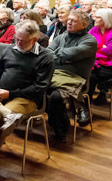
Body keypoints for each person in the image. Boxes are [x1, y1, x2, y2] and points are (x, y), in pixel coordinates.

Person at [0, 20, 53, 181]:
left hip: (26, 98)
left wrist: (10, 94)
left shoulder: (45, 57)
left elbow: (39, 88)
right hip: (0, 93)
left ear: (34, 40)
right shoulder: (11, 49)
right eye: (16, 39)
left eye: (22, 41)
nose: (18, 43)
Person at [47, 9, 97, 142]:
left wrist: (58, 55)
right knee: (36, 87)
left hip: (75, 77)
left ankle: (60, 127)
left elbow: (71, 54)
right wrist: (63, 58)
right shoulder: (61, 36)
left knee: (56, 96)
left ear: (84, 24)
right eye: (69, 19)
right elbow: (47, 53)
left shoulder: (90, 40)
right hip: (54, 73)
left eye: (73, 21)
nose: (69, 22)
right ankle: (58, 117)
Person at [88, 9, 112, 105]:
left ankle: (86, 103)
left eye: (98, 17)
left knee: (90, 75)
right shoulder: (93, 30)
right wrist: (101, 46)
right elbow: (86, 45)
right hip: (94, 62)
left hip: (110, 66)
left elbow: (109, 51)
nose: (94, 18)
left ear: (106, 19)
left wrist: (95, 47)